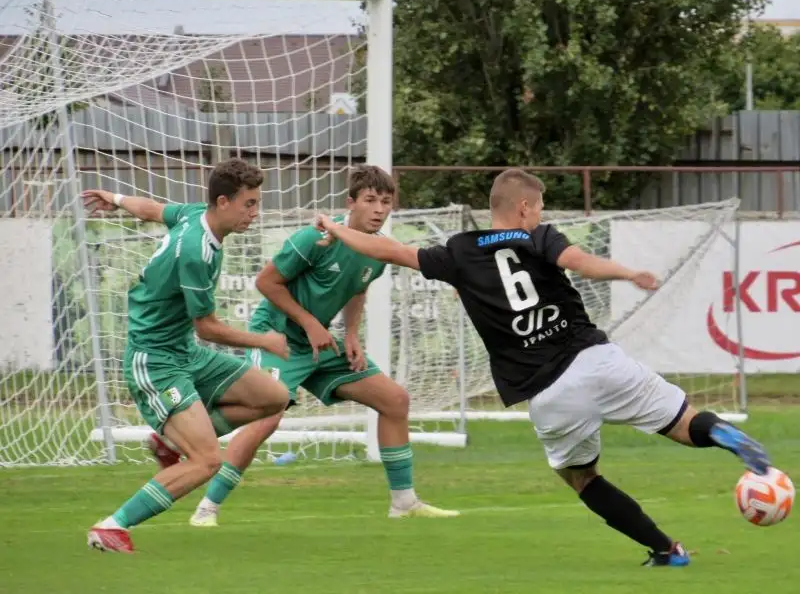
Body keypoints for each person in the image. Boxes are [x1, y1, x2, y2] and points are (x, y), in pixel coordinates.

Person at [311, 168, 772, 567]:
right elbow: (581, 264)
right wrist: (627, 273)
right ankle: (722, 435)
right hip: (599, 359)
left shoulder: (458, 252)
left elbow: (388, 250)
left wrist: (335, 227)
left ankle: (667, 550)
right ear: (525, 207)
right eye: (542, 207)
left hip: (550, 391)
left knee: (580, 477)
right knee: (685, 423)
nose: (542, 214)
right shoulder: (538, 237)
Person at [186, 164, 459, 526]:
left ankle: (404, 502)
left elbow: (357, 288)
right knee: (269, 416)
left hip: (323, 344)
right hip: (279, 337)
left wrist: (350, 335)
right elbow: (267, 283)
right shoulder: (314, 238)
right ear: (351, 202)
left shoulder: (377, 252)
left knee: (395, 400)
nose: (379, 209)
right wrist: (311, 323)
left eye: (386, 202)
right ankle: (207, 507)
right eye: (370, 200)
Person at [82, 158, 290, 553]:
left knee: (274, 398)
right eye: (249, 203)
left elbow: (155, 210)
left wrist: (116, 197)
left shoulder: (197, 215)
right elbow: (207, 327)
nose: (255, 212)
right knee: (207, 461)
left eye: (257, 203)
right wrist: (263, 341)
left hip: (184, 352)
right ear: (224, 202)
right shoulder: (196, 252)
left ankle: (173, 442)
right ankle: (112, 526)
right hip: (155, 360)